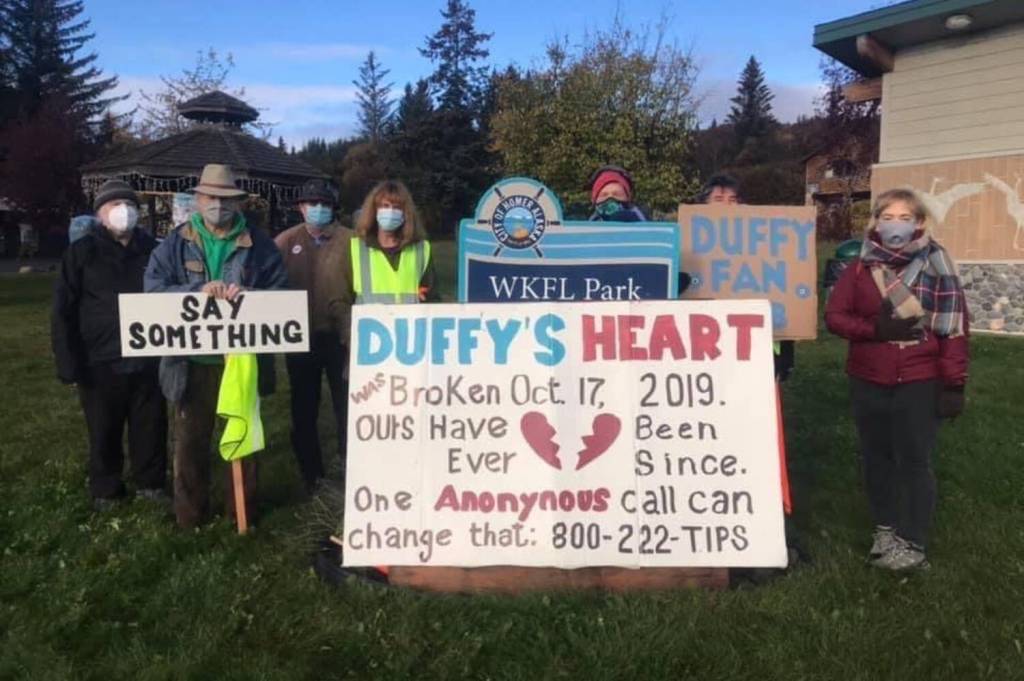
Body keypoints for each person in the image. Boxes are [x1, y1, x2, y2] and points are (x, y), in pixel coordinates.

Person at [825, 188, 969, 571]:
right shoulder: (860, 267)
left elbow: (955, 329)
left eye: (905, 217)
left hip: (920, 378)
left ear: (919, 222)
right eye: (888, 216)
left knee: (914, 460)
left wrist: (954, 383)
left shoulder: (938, 264)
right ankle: (885, 529)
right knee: (876, 458)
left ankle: (913, 542)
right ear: (875, 222)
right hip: (869, 378)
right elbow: (835, 316)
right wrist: (875, 330)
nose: (895, 225)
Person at [144, 164, 288, 529]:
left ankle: (243, 511)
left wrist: (251, 296)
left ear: (237, 203)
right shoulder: (174, 244)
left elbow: (280, 293)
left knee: (244, 437)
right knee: (190, 443)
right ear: (197, 199)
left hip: (241, 362)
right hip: (190, 362)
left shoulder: (261, 246)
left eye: (225, 199)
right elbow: (153, 290)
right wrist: (196, 291)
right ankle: (190, 517)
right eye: (210, 197)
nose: (218, 205)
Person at [51, 180, 168, 510]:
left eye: (128, 204)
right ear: (100, 214)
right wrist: (67, 361)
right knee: (104, 427)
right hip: (99, 359)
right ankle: (106, 488)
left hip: (148, 355)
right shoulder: (81, 253)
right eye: (114, 205)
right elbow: (63, 310)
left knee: (151, 424)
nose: (123, 211)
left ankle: (151, 483)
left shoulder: (154, 250)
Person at [275, 180, 354, 495]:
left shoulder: (352, 241)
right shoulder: (284, 242)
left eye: (325, 204)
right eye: (312, 203)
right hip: (300, 338)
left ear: (333, 208)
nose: (318, 209)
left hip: (343, 337)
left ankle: (352, 465)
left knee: (348, 405)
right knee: (303, 407)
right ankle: (311, 475)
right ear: (301, 207)